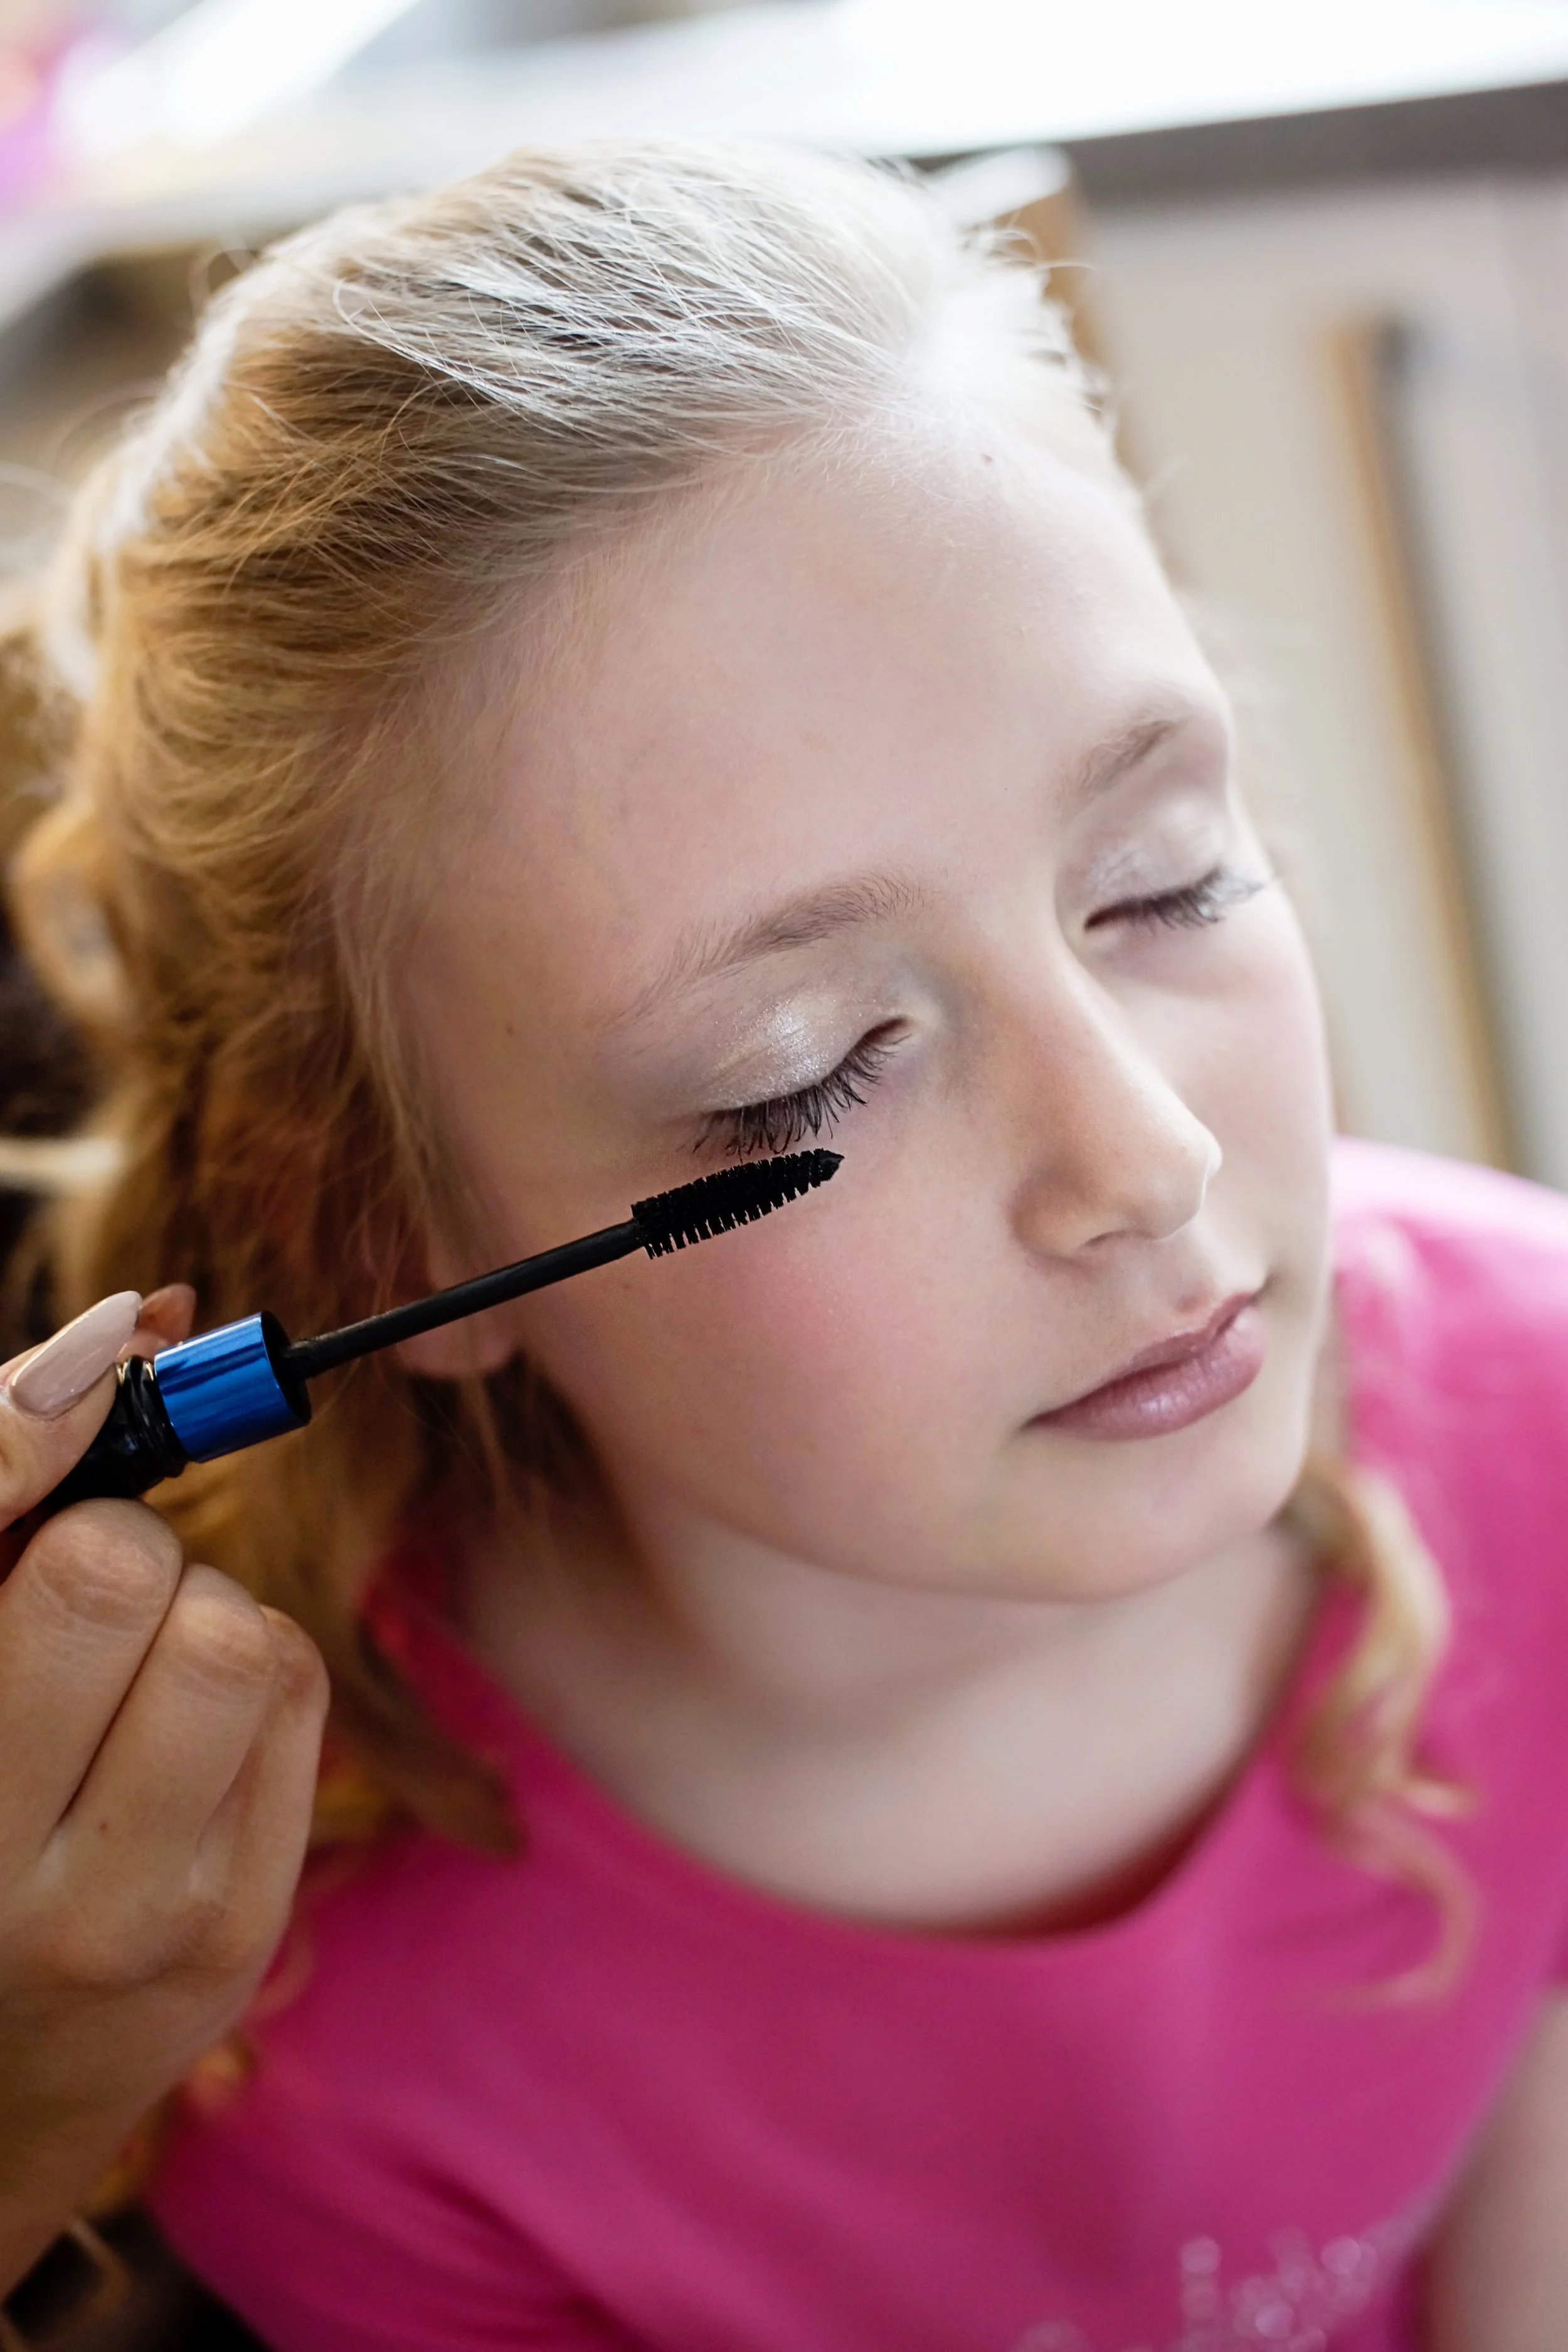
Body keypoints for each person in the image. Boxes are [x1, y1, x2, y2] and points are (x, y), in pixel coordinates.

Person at [2, 143, 1567, 2352]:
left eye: (1161, 881)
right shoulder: (327, 2041)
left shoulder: (1546, 1419)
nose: (1143, 1158)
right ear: (393, 1223)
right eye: (810, 1068)